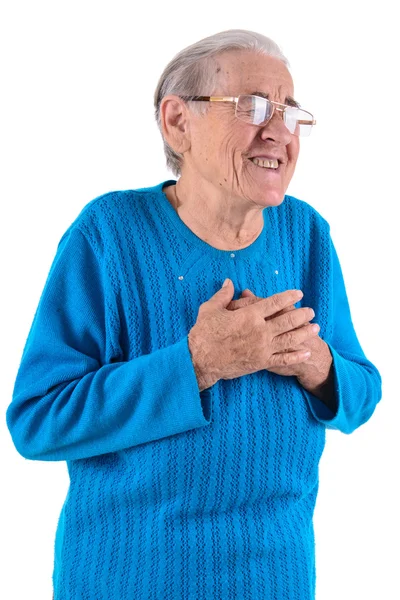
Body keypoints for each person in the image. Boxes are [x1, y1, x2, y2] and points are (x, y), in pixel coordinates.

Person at [6, 29, 382, 600]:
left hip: (275, 581)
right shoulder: (108, 234)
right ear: (178, 122)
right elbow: (38, 421)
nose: (279, 131)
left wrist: (318, 364)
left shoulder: (306, 234)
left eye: (288, 110)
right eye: (254, 106)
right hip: (129, 581)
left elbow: (362, 393)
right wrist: (196, 364)